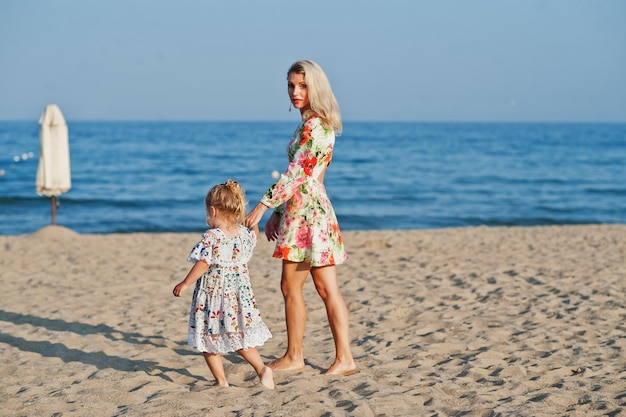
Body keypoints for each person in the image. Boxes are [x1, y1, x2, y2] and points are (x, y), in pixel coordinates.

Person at [244, 60, 357, 376]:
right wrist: (279, 212)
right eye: (292, 85)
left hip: (308, 217)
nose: (295, 91)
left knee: (296, 288)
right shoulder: (316, 125)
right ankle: (338, 358)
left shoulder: (314, 127)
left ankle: (299, 356)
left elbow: (297, 173)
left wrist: (263, 206)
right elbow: (306, 178)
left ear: (316, 87)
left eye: (303, 85)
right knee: (321, 289)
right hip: (309, 211)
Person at [173, 180, 275, 389]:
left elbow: (203, 263)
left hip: (212, 297)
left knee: (207, 340)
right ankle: (263, 369)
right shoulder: (244, 235)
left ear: (213, 210)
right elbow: (254, 234)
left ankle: (221, 382)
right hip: (237, 297)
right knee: (238, 337)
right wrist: (253, 222)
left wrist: (185, 283)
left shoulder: (212, 237)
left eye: (207, 213)